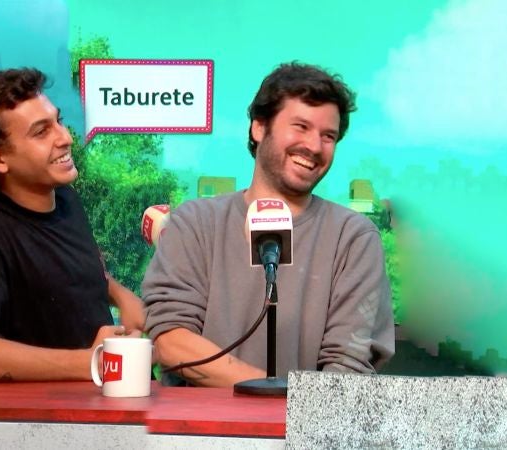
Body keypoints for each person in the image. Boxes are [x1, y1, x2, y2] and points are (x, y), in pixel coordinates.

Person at [142, 62, 395, 387]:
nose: (314, 146)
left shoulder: (354, 238)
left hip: (303, 421)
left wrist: (279, 403)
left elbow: (347, 371)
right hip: (205, 423)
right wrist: (269, 393)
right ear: (259, 128)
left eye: (328, 136)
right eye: (301, 127)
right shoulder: (194, 224)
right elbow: (172, 342)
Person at [0, 68, 144, 382]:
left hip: (100, 404)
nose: (66, 138)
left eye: (58, 121)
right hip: (46, 413)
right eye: (41, 132)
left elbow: (61, 271)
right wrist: (92, 362)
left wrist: (119, 294)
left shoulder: (66, 200)